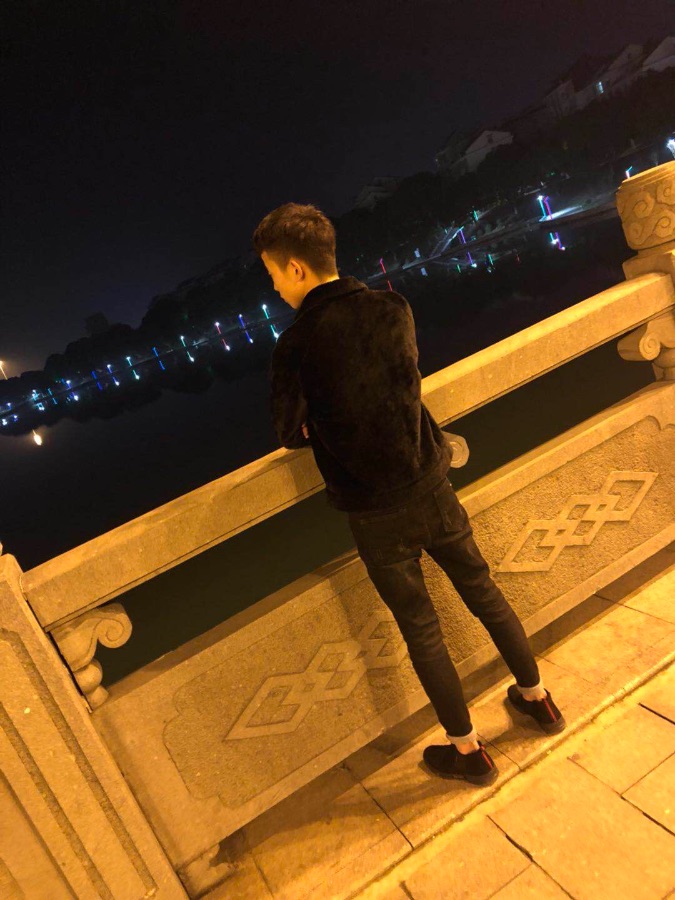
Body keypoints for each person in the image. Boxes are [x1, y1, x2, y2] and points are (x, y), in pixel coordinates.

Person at [252, 202, 565, 787]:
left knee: (422, 629)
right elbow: (402, 385)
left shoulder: (295, 345)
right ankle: (538, 700)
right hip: (430, 482)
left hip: (375, 513)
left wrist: (318, 424)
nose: (273, 287)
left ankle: (469, 752)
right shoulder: (391, 308)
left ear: (295, 268)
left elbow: (288, 432)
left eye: (272, 273)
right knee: (484, 591)